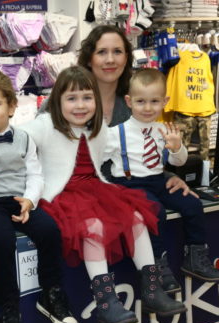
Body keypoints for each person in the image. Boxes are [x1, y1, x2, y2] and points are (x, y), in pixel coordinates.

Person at [20, 66, 186, 323]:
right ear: (57, 101)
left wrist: (168, 174)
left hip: (97, 190)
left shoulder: (101, 129)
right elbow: (14, 137)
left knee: (136, 217)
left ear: (96, 101)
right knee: (93, 227)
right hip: (61, 195)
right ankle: (106, 302)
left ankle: (152, 290)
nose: (80, 105)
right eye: (71, 98)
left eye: (87, 97)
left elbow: (136, 157)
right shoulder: (45, 125)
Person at [0, 68, 78, 323]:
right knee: (1, 239)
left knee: (49, 230)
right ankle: (8, 307)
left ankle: (51, 294)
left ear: (12, 107)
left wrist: (29, 200)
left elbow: (35, 174)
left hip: (18, 199)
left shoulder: (24, 138)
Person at [78, 24, 198, 291]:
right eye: (102, 52)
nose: (110, 59)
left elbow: (148, 153)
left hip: (138, 191)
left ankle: (164, 274)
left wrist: (168, 174)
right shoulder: (72, 98)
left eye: (117, 51)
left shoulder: (137, 101)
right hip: (91, 194)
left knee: (181, 207)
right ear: (89, 57)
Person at [104, 69, 219, 284]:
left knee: (193, 205)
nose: (148, 108)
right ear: (129, 101)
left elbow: (178, 162)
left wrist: (177, 147)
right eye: (141, 101)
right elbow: (95, 160)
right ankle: (156, 265)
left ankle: (195, 257)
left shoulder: (165, 129)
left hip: (159, 181)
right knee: (155, 211)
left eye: (154, 101)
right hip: (130, 185)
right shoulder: (115, 133)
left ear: (165, 102)